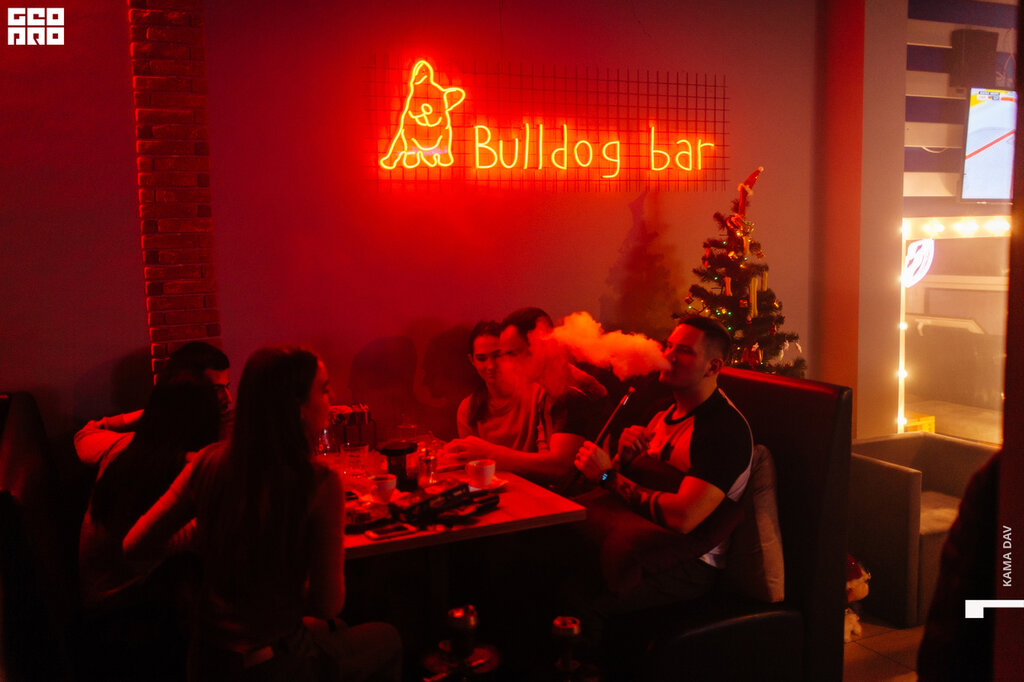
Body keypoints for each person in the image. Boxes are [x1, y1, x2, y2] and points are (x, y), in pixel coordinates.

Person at [123, 346, 401, 682]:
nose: (332, 399)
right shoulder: (318, 482)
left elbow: (134, 544)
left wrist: (208, 531)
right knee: (387, 637)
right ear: (297, 407)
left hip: (207, 658)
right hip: (273, 663)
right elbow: (327, 604)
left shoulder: (208, 462)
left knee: (333, 629)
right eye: (324, 390)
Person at [571, 316, 753, 644]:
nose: (667, 356)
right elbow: (625, 491)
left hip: (692, 564)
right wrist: (623, 460)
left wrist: (607, 475)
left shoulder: (723, 430)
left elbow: (684, 518)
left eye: (683, 351)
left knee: (579, 603)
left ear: (712, 367)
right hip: (638, 540)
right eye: (668, 346)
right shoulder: (658, 412)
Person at [495, 307, 608, 486]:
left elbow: (560, 468)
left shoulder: (572, 392)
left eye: (513, 353)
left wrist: (489, 454)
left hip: (588, 500)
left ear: (541, 345)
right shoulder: (546, 393)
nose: (507, 364)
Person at [75, 341, 233, 467]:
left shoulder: (133, 448)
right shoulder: (211, 459)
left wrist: (155, 412)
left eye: (227, 387)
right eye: (216, 389)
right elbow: (85, 434)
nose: (228, 398)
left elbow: (86, 434)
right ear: (184, 393)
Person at [446, 320, 549, 469]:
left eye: (497, 355)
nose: (490, 366)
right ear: (472, 361)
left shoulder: (538, 394)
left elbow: (548, 464)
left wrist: (489, 453)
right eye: (481, 358)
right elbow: (474, 466)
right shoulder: (468, 408)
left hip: (533, 482)